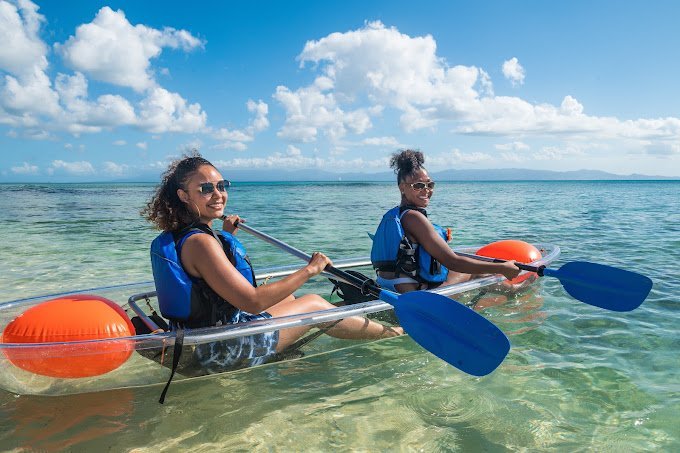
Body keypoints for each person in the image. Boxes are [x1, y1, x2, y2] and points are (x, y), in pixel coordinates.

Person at [143, 152, 402, 374]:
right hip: (219, 351)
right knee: (313, 304)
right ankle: (393, 334)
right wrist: (310, 269)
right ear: (184, 196)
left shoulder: (188, 236)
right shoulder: (201, 243)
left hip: (200, 340)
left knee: (290, 300)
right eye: (206, 189)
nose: (218, 194)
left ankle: (287, 351)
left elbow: (209, 286)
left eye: (221, 186)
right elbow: (252, 301)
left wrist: (226, 237)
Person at [371, 149, 522, 293]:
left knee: (464, 270)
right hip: (414, 293)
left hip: (390, 284)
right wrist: (502, 268)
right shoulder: (414, 217)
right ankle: (515, 291)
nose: (426, 190)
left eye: (430, 185)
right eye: (418, 185)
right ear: (402, 188)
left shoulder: (396, 215)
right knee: (477, 273)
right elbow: (453, 261)